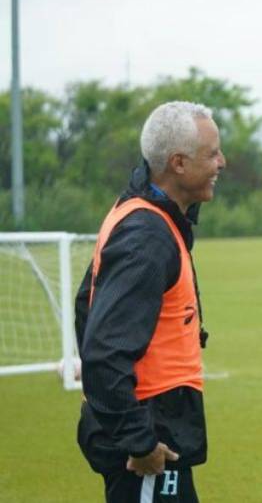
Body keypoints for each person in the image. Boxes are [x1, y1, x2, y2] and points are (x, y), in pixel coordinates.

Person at [76, 101, 226, 502]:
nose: (221, 163)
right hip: (149, 447)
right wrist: (138, 440)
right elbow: (103, 348)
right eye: (212, 153)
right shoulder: (146, 235)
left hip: (159, 436)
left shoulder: (146, 215)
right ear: (178, 163)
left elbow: (85, 304)